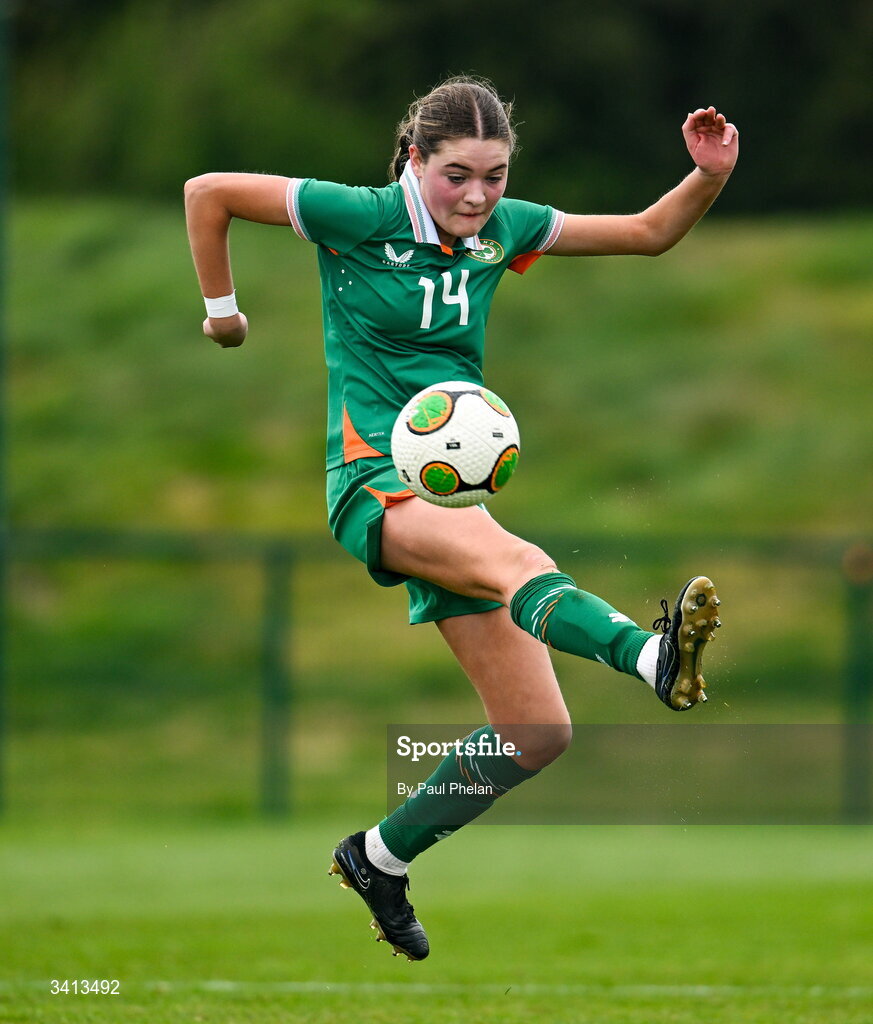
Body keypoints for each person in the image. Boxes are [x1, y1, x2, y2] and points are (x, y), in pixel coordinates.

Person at [184, 75, 737, 963]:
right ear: (414, 160)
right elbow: (207, 194)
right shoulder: (358, 215)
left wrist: (707, 176)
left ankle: (378, 857)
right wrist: (223, 314)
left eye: (494, 175)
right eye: (456, 176)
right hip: (371, 481)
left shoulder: (503, 230)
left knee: (536, 732)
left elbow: (647, 233)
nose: (477, 196)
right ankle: (647, 652)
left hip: (448, 496)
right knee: (519, 558)